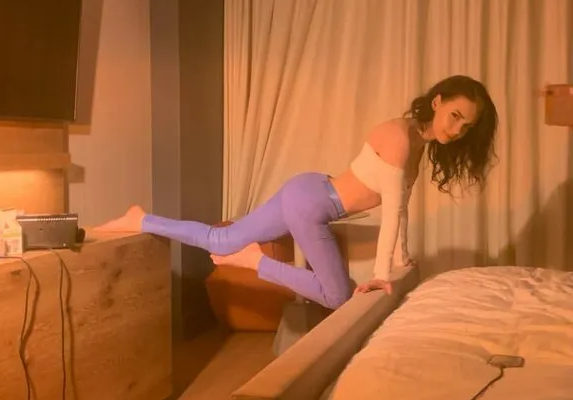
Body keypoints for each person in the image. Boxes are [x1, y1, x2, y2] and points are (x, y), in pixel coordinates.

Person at [95, 75, 498, 310]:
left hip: (309, 191)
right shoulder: (400, 139)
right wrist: (381, 275)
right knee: (338, 296)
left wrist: (400, 259)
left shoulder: (417, 142)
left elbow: (402, 208)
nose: (456, 129)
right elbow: (393, 211)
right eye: (454, 116)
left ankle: (141, 219)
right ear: (437, 101)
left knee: (220, 240)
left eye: (465, 126)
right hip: (313, 204)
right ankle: (250, 259)